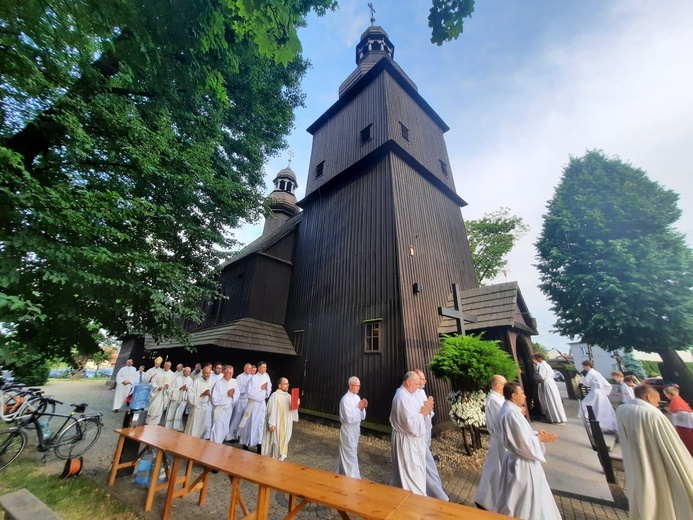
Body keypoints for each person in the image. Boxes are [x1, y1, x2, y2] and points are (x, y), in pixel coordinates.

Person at [617, 384, 693, 519]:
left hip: (634, 459)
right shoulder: (652, 414)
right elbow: (672, 444)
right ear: (649, 397)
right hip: (657, 460)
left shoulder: (623, 409)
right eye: (657, 401)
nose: (658, 404)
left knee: (644, 490)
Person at [495, 382, 561, 520]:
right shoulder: (511, 414)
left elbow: (521, 435)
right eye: (522, 394)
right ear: (514, 396)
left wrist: (537, 435)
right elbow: (521, 443)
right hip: (522, 461)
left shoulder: (512, 410)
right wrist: (538, 439)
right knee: (524, 498)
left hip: (520, 457)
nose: (524, 396)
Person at [390, 371, 433, 496]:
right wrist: (423, 413)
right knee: (410, 476)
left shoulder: (410, 394)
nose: (417, 387)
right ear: (408, 382)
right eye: (415, 384)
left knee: (416, 474)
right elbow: (410, 424)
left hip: (413, 441)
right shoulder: (402, 397)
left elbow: (418, 414)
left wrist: (426, 411)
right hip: (406, 442)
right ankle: (413, 506)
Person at [413, 368, 448, 501]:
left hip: (425, 432)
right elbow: (416, 414)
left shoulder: (421, 392)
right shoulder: (412, 394)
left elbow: (425, 411)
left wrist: (429, 410)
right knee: (428, 467)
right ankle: (439, 495)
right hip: (418, 435)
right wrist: (425, 411)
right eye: (422, 379)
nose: (425, 381)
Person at [474, 374, 507, 511]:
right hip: (500, 438)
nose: (506, 386)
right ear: (497, 385)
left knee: (494, 469)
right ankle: (487, 500)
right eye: (504, 384)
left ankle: (486, 499)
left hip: (501, 438)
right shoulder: (493, 400)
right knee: (496, 469)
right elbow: (501, 420)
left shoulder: (498, 398)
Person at [336, 376, 368, 478]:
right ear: (350, 385)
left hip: (355, 430)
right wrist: (359, 408)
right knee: (351, 456)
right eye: (356, 386)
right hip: (348, 430)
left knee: (348, 454)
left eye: (359, 386)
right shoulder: (345, 399)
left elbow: (362, 417)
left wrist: (362, 408)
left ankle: (340, 474)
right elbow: (348, 418)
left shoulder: (357, 397)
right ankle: (354, 478)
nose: (358, 388)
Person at [262, 377, 298, 460]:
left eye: (287, 384)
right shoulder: (275, 395)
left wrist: (296, 405)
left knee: (284, 442)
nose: (287, 386)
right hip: (277, 423)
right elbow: (271, 410)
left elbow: (292, 412)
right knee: (277, 443)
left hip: (287, 424)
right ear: (279, 385)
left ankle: (280, 459)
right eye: (285, 384)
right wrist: (271, 424)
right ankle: (275, 460)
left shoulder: (289, 396)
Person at [239, 361, 272, 452]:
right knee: (251, 424)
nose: (265, 369)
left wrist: (267, 389)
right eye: (264, 367)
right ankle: (246, 443)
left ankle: (259, 444)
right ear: (259, 368)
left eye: (266, 367)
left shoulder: (266, 377)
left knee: (261, 425)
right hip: (253, 404)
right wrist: (261, 388)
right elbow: (249, 393)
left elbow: (269, 389)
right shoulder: (253, 378)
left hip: (261, 403)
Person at [578, 360, 617, 433]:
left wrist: (582, 377)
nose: (583, 367)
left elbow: (586, 383)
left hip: (595, 391)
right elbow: (606, 384)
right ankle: (596, 420)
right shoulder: (597, 372)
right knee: (599, 407)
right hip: (601, 392)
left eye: (584, 366)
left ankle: (587, 418)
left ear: (587, 366)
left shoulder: (590, 373)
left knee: (585, 404)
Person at [532, 353, 566, 424]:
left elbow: (541, 376)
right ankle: (558, 417)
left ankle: (554, 418)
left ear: (539, 358)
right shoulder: (547, 365)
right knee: (554, 399)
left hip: (547, 383)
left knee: (550, 400)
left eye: (534, 359)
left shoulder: (541, 365)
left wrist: (535, 378)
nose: (533, 361)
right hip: (551, 382)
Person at [185, 364, 214, 438]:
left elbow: (213, 395)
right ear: (203, 373)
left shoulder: (211, 382)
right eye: (206, 373)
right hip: (196, 407)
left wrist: (210, 395)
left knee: (203, 426)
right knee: (193, 427)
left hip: (205, 407)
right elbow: (190, 394)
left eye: (209, 373)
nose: (208, 375)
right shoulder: (197, 381)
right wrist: (201, 394)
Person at [210, 365, 238, 443]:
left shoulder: (234, 382)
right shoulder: (218, 384)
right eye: (227, 372)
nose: (229, 374)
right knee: (217, 430)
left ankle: (219, 446)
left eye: (231, 373)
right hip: (219, 410)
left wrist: (233, 395)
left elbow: (237, 394)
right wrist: (227, 395)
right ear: (223, 372)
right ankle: (214, 446)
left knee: (224, 429)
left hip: (228, 409)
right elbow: (214, 400)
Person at [663, 386, 693, 456]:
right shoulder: (678, 399)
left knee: (688, 441)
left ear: (669, 394)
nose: (665, 396)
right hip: (686, 424)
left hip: (685, 426)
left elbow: (681, 414)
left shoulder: (675, 401)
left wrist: (670, 411)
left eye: (665, 394)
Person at [227, 363, 253, 442]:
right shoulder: (239, 377)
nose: (249, 370)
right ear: (244, 369)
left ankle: (240, 435)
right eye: (248, 368)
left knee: (244, 419)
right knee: (236, 418)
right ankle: (231, 435)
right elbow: (237, 389)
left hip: (247, 400)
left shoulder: (252, 377)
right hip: (240, 399)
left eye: (250, 368)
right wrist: (246, 387)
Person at [146, 361, 175, 425]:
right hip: (156, 393)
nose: (167, 367)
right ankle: (148, 421)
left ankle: (156, 422)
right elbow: (152, 382)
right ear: (164, 365)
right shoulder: (158, 372)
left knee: (160, 408)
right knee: (153, 406)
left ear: (170, 366)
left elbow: (173, 385)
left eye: (169, 366)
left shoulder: (172, 374)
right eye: (166, 365)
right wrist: (157, 387)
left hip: (164, 394)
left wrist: (168, 387)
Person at [165, 366, 192, 431]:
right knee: (172, 412)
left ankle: (176, 427)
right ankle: (169, 427)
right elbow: (170, 389)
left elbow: (192, 391)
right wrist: (179, 388)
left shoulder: (191, 380)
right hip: (175, 398)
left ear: (190, 372)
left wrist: (187, 389)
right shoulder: (177, 379)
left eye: (188, 372)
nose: (187, 373)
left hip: (183, 399)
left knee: (179, 414)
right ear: (183, 371)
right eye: (185, 371)